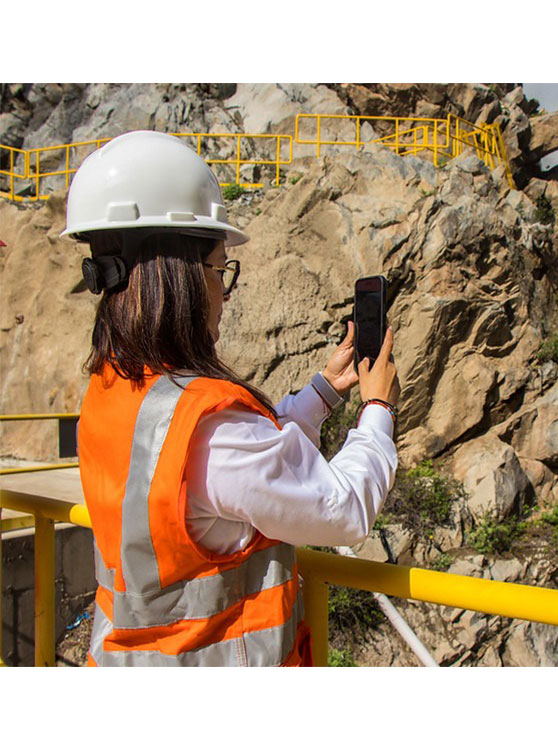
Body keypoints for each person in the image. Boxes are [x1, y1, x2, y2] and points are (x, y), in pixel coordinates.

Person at [63, 130, 400, 666]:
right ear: (180, 278)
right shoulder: (207, 427)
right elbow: (343, 510)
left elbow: (238, 464)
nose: (225, 289)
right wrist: (378, 410)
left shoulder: (114, 390)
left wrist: (324, 392)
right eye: (221, 269)